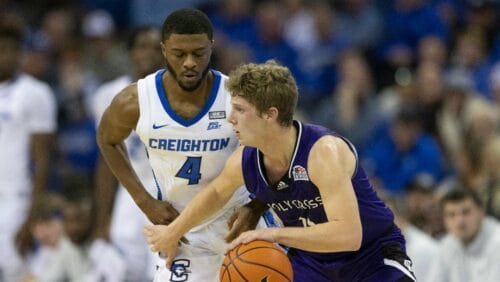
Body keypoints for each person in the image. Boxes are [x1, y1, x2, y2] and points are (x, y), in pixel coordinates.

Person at [144, 61, 417, 281]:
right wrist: (172, 232)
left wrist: (272, 234)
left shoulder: (323, 153)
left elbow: (348, 235)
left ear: (270, 115)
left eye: (240, 109)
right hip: (313, 263)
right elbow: (216, 192)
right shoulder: (246, 160)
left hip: (370, 256)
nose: (230, 118)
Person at [96, 8, 264, 281]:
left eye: (198, 53)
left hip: (238, 225)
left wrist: (258, 205)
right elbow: (107, 138)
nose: (189, 62)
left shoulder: (236, 95)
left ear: (211, 47)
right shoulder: (135, 100)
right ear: (163, 50)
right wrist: (145, 201)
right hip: (182, 233)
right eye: (179, 54)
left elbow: (277, 155)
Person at [91, 26, 163, 282]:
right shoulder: (107, 94)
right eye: (142, 46)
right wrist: (102, 220)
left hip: (167, 191)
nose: (149, 54)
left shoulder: (178, 93)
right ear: (130, 51)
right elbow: (106, 159)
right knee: (122, 271)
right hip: (129, 193)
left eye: (157, 48)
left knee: (159, 271)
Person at [0, 16, 57, 282]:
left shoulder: (36, 93)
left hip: (16, 197)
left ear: (20, 53)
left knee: (12, 269)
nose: (4, 55)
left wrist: (32, 214)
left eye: (10, 49)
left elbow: (43, 158)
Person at [428, 187, 500, 282]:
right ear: (444, 220)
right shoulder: (447, 244)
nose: (459, 222)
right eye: (451, 215)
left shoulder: (497, 242)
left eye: (466, 212)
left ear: (481, 213)